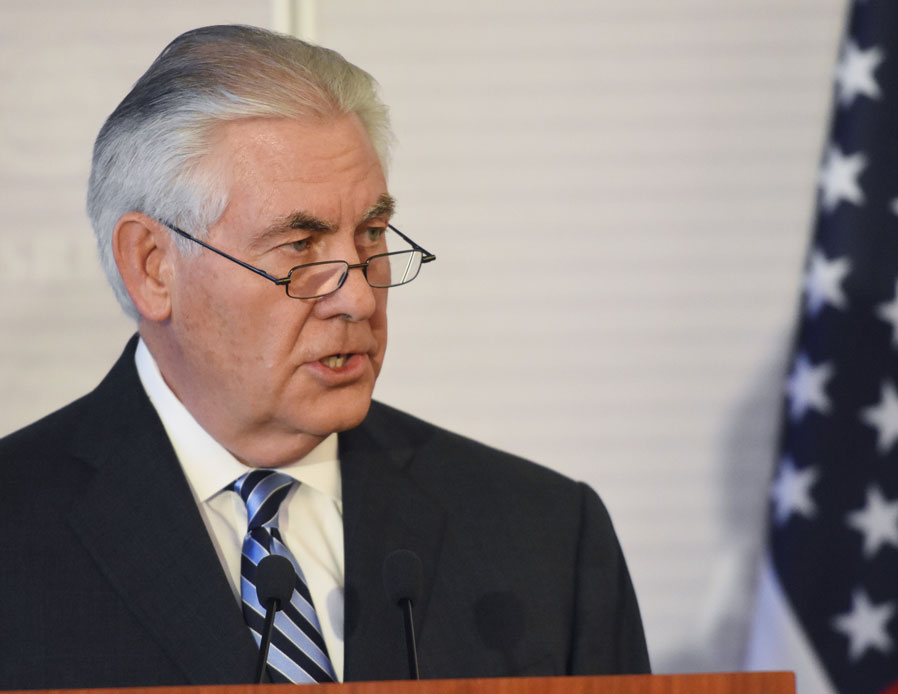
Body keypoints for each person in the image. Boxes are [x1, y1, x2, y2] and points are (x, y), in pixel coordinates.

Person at [0, 24, 649, 689]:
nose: (360, 298)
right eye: (300, 247)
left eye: (371, 234)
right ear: (153, 267)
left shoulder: (544, 538)